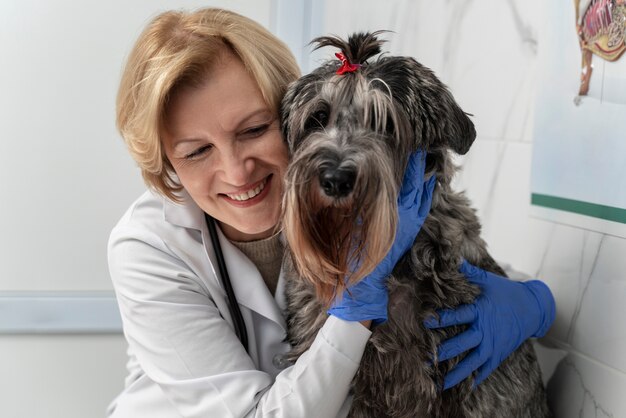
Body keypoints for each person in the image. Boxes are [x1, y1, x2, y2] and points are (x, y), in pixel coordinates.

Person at [108, 7, 556, 417]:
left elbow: (463, 275)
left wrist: (536, 304)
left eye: (254, 129)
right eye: (197, 151)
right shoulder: (147, 247)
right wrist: (355, 306)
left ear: (284, 119)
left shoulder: (355, 206)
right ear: (165, 162)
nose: (236, 171)